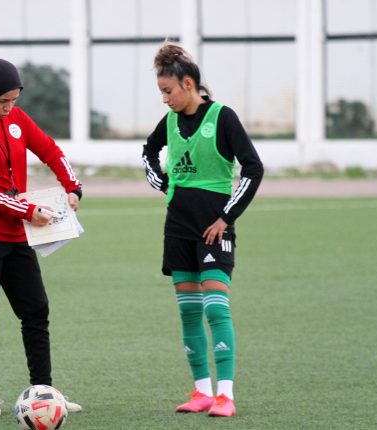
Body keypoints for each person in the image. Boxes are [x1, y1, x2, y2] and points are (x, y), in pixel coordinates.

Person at [141, 43, 263, 418]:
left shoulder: (223, 117)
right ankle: (202, 393)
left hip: (214, 227)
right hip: (178, 226)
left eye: (168, 91)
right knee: (189, 312)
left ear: (189, 84)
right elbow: (148, 153)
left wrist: (226, 218)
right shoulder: (171, 122)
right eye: (161, 92)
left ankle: (226, 395)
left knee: (215, 307)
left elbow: (253, 168)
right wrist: (165, 185)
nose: (164, 99)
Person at [0, 58, 83, 416]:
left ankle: (44, 390)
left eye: (13, 100)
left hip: (18, 235)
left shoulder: (17, 118)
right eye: (2, 101)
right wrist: (28, 210)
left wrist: (72, 186)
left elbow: (50, 150)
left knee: (36, 310)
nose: (8, 107)